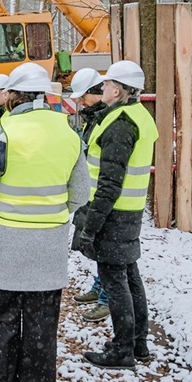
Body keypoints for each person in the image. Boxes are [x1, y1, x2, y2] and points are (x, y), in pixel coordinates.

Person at [0, 63, 89, 382]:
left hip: (6, 243)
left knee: (0, 316)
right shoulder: (68, 133)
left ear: (13, 96)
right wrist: (53, 216)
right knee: (41, 319)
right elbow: (80, 192)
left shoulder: (3, 132)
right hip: (49, 244)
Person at [73, 60, 159, 370]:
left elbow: (109, 182)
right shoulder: (135, 116)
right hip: (128, 211)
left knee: (116, 282)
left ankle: (123, 349)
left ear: (118, 90)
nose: (103, 87)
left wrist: (91, 226)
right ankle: (138, 343)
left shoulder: (120, 123)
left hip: (113, 213)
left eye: (108, 84)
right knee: (131, 279)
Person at [68, 68, 111, 323]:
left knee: (104, 247)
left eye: (84, 96)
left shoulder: (105, 119)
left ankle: (106, 297)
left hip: (103, 195)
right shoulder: (94, 118)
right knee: (95, 245)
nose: (81, 102)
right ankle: (99, 287)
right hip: (93, 193)